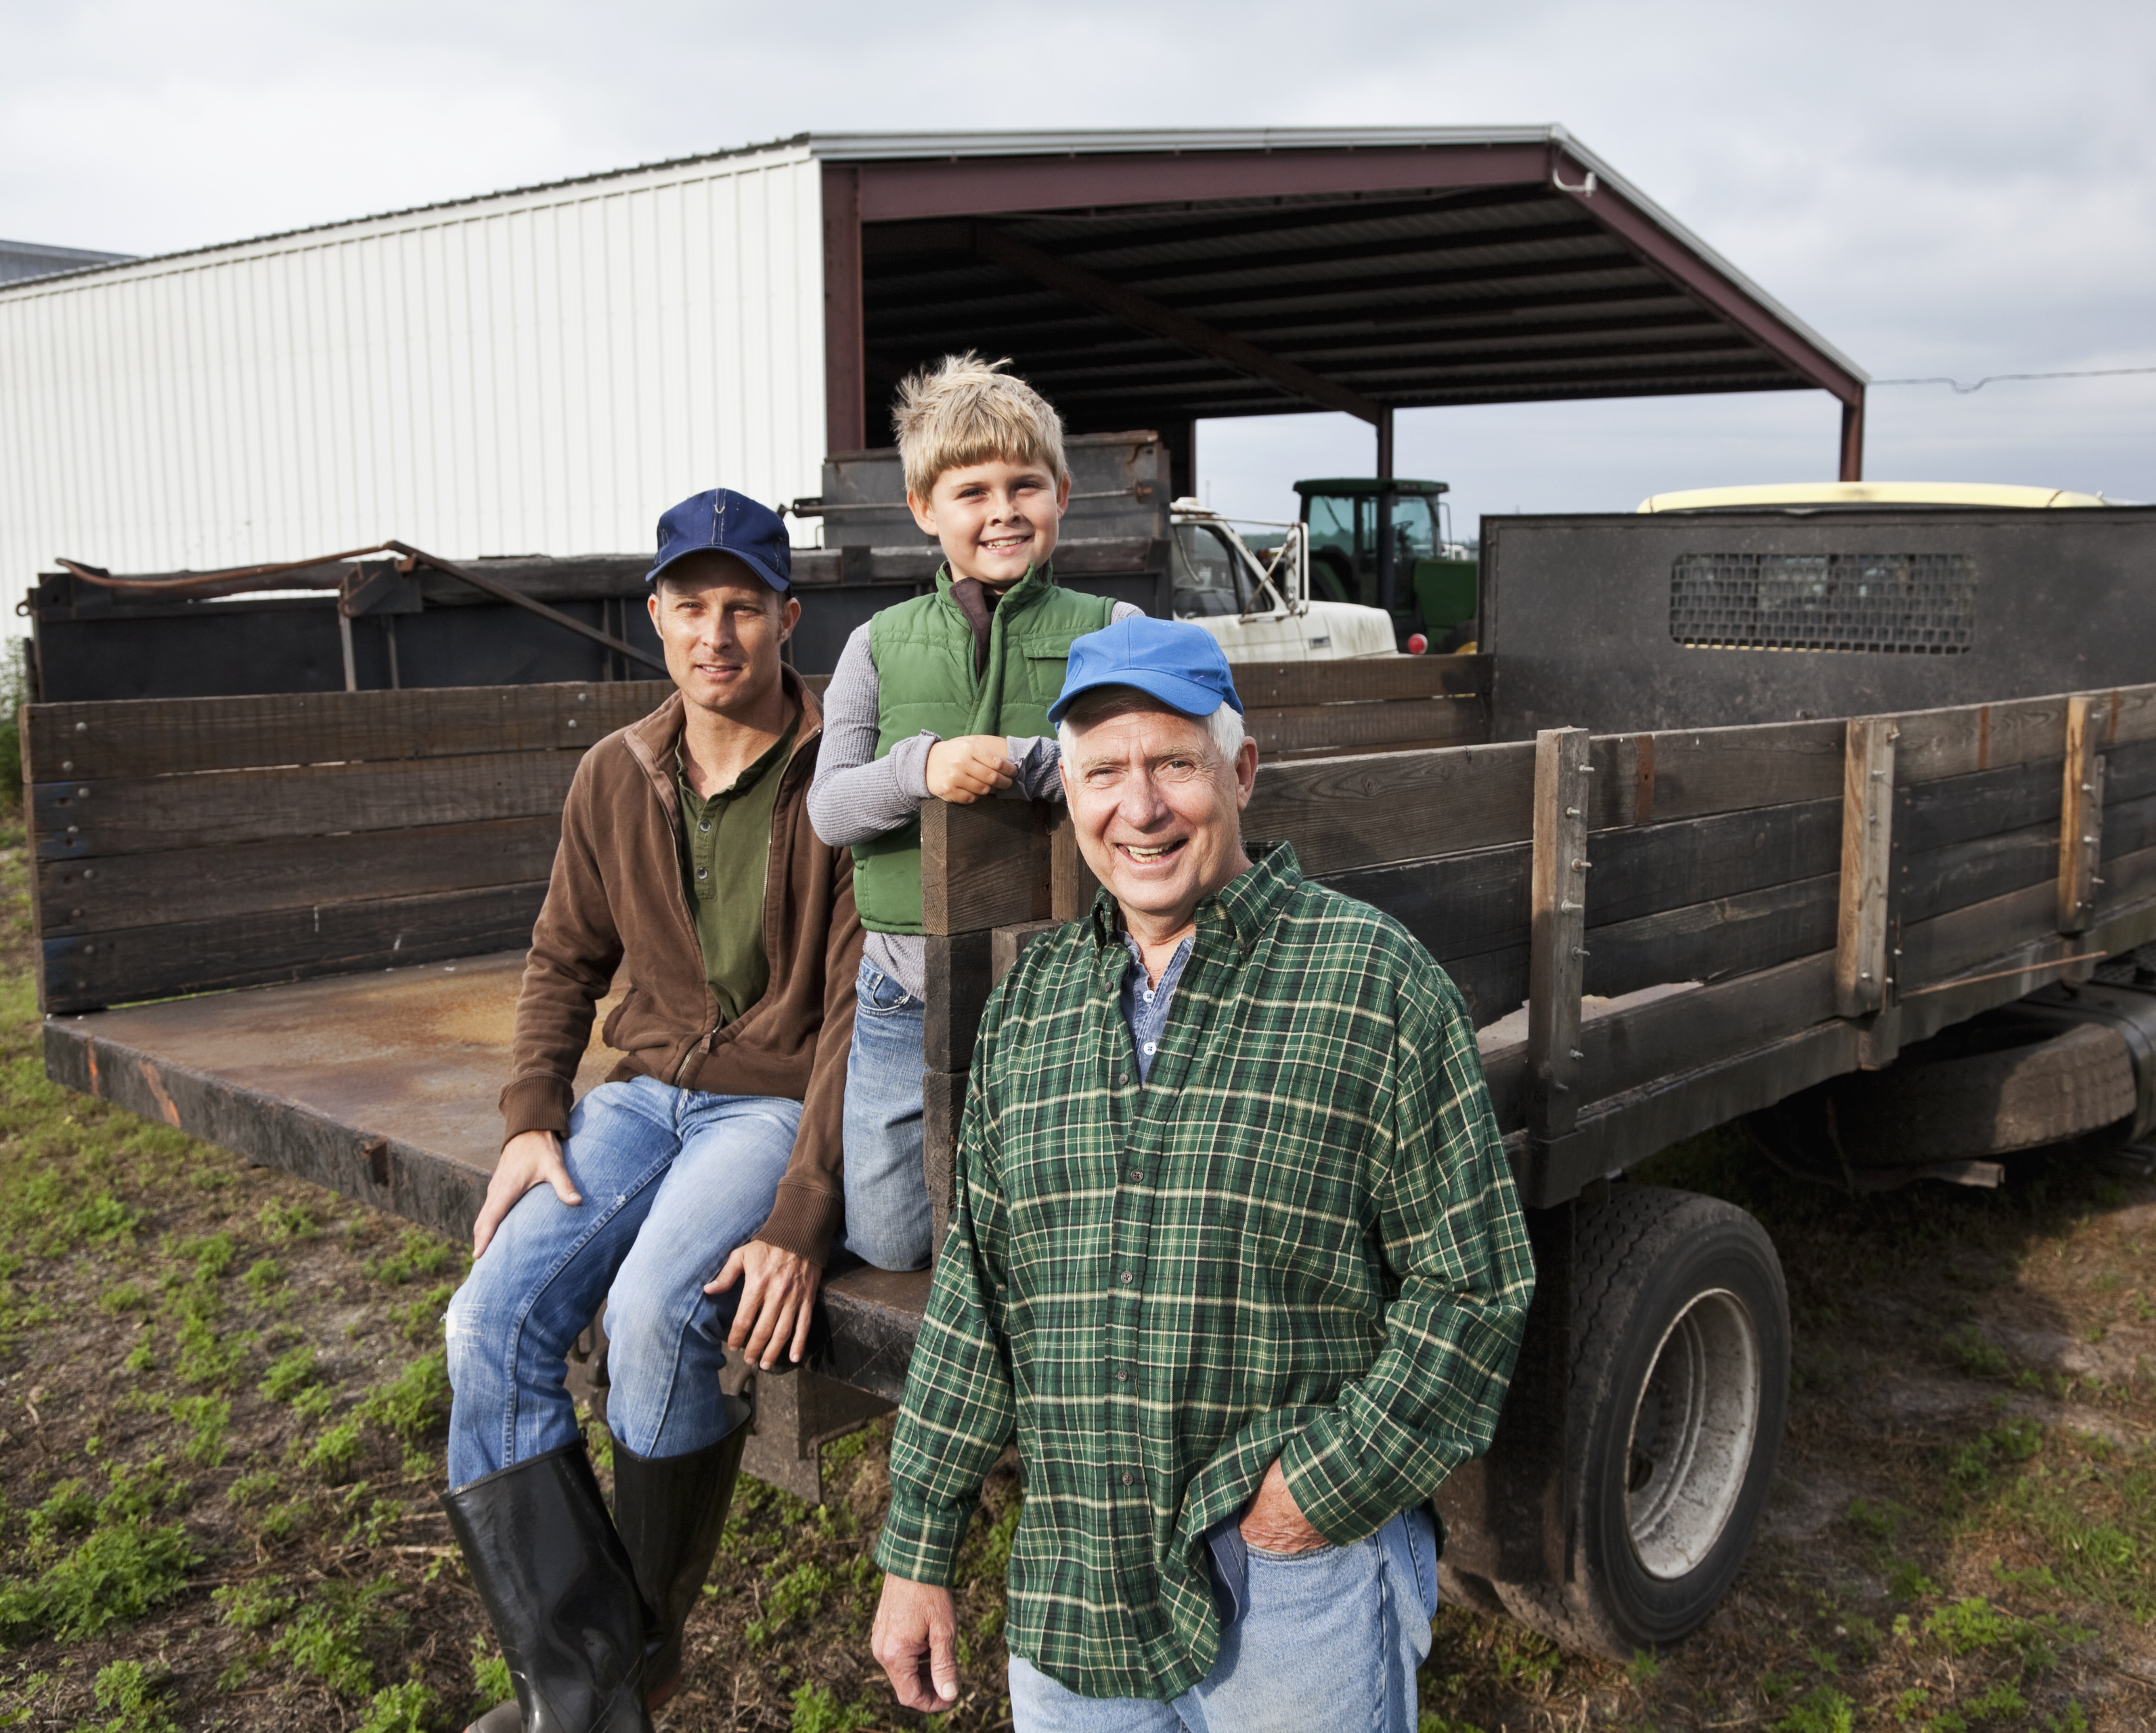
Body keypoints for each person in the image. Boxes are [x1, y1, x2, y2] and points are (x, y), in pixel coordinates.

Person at [866, 617, 1537, 1731]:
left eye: (1175, 762)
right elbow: (977, 1299)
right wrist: (919, 1545)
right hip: (1074, 1581)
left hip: (1288, 1587)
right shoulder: (1032, 1006)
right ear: (1070, 793)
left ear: (1242, 772)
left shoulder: (1371, 983)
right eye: (1103, 772)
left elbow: (1473, 1290)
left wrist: (1310, 1501)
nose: (1141, 808)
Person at [441, 488, 864, 1733]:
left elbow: (855, 1013)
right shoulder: (613, 772)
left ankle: (635, 1659)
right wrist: (531, 1114)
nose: (715, 632)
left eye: (743, 606)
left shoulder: (842, 776)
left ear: (787, 618)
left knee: (654, 1319)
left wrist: (805, 1205)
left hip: (768, 1107)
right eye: (691, 605)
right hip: (637, 1099)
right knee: (483, 1326)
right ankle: (588, 1686)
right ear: (656, 618)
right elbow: (562, 959)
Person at [806, 354, 1138, 1273]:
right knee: (889, 1238)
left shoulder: (1112, 628)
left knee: (1060, 1215)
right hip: (902, 983)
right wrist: (922, 764)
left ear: (1062, 494)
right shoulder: (874, 646)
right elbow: (831, 810)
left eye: (1024, 484)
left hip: (1067, 972)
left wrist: (1027, 764)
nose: (1003, 509)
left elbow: (1146, 774)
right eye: (972, 490)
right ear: (924, 508)